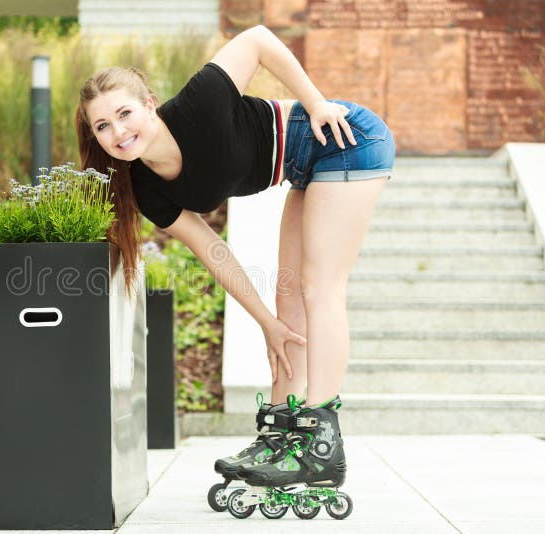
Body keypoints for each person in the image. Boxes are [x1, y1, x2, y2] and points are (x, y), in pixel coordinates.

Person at [75, 25, 394, 514]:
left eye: (124, 114)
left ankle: (320, 444)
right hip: (304, 169)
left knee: (320, 289)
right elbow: (213, 251)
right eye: (103, 126)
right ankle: (282, 438)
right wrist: (266, 322)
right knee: (288, 306)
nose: (118, 132)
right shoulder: (146, 188)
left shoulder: (201, 102)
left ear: (150, 103)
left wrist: (317, 102)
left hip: (345, 137)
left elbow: (260, 39)